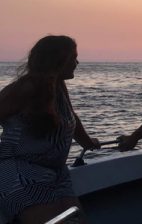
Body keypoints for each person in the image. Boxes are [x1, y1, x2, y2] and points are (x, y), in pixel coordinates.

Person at [0, 35, 100, 223]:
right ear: (57, 60)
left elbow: (72, 119)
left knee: (76, 220)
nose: (77, 63)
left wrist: (88, 142)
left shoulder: (58, 86)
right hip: (20, 172)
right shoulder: (25, 88)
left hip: (56, 173)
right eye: (73, 58)